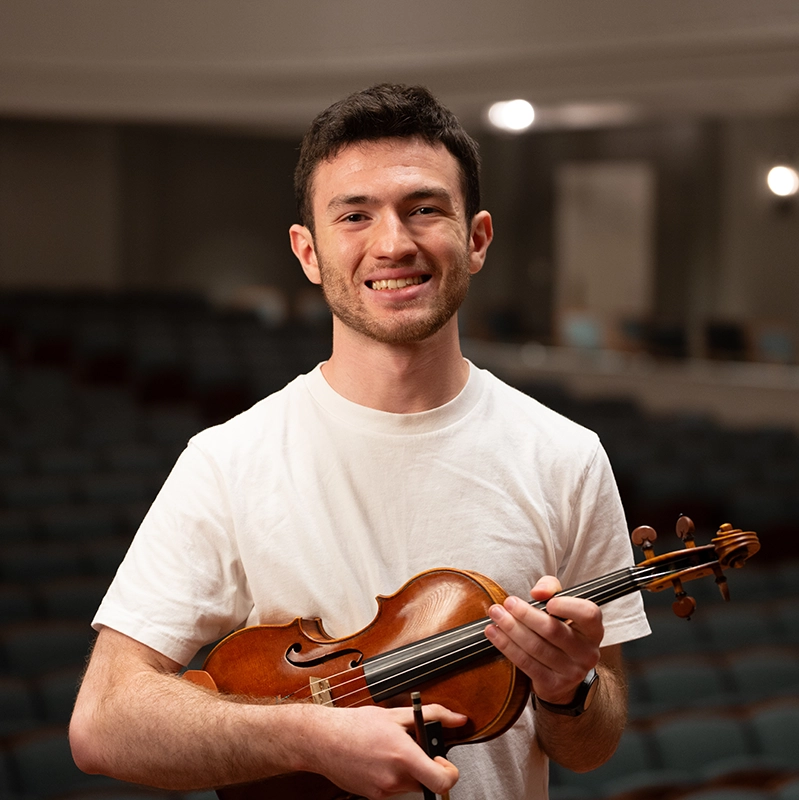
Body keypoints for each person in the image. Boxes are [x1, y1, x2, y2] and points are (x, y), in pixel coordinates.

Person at [69, 83, 650, 800]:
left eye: (424, 209)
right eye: (354, 215)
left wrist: (568, 690)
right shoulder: (228, 459)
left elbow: (590, 744)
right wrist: (306, 735)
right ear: (308, 253)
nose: (393, 243)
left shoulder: (565, 456)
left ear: (475, 239)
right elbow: (102, 722)